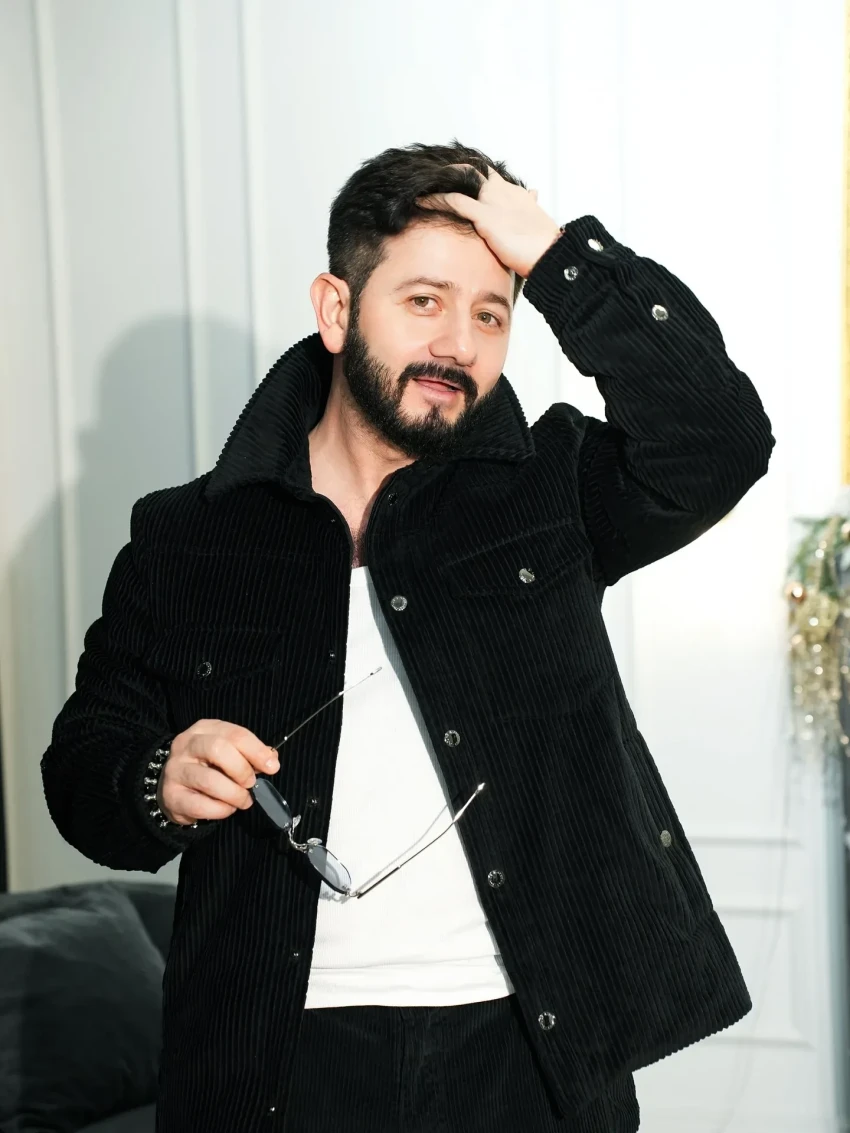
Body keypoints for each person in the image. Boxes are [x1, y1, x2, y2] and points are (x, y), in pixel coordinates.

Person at [42, 141, 774, 1133]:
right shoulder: (186, 535)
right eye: (424, 301)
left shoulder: (551, 487)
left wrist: (558, 255)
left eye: (490, 313)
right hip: (280, 1062)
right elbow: (82, 769)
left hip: (527, 1055)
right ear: (336, 309)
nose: (458, 344)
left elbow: (720, 440)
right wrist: (159, 779)